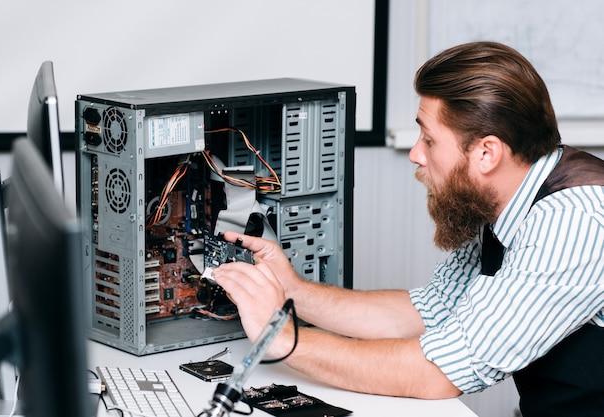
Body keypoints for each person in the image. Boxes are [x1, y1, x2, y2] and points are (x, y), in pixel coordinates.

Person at [211, 41, 604, 416]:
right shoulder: (507, 201)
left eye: (429, 140)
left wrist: (281, 340)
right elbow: (426, 312)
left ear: (487, 153)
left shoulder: (574, 223)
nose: (416, 154)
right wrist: (293, 290)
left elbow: (438, 371)